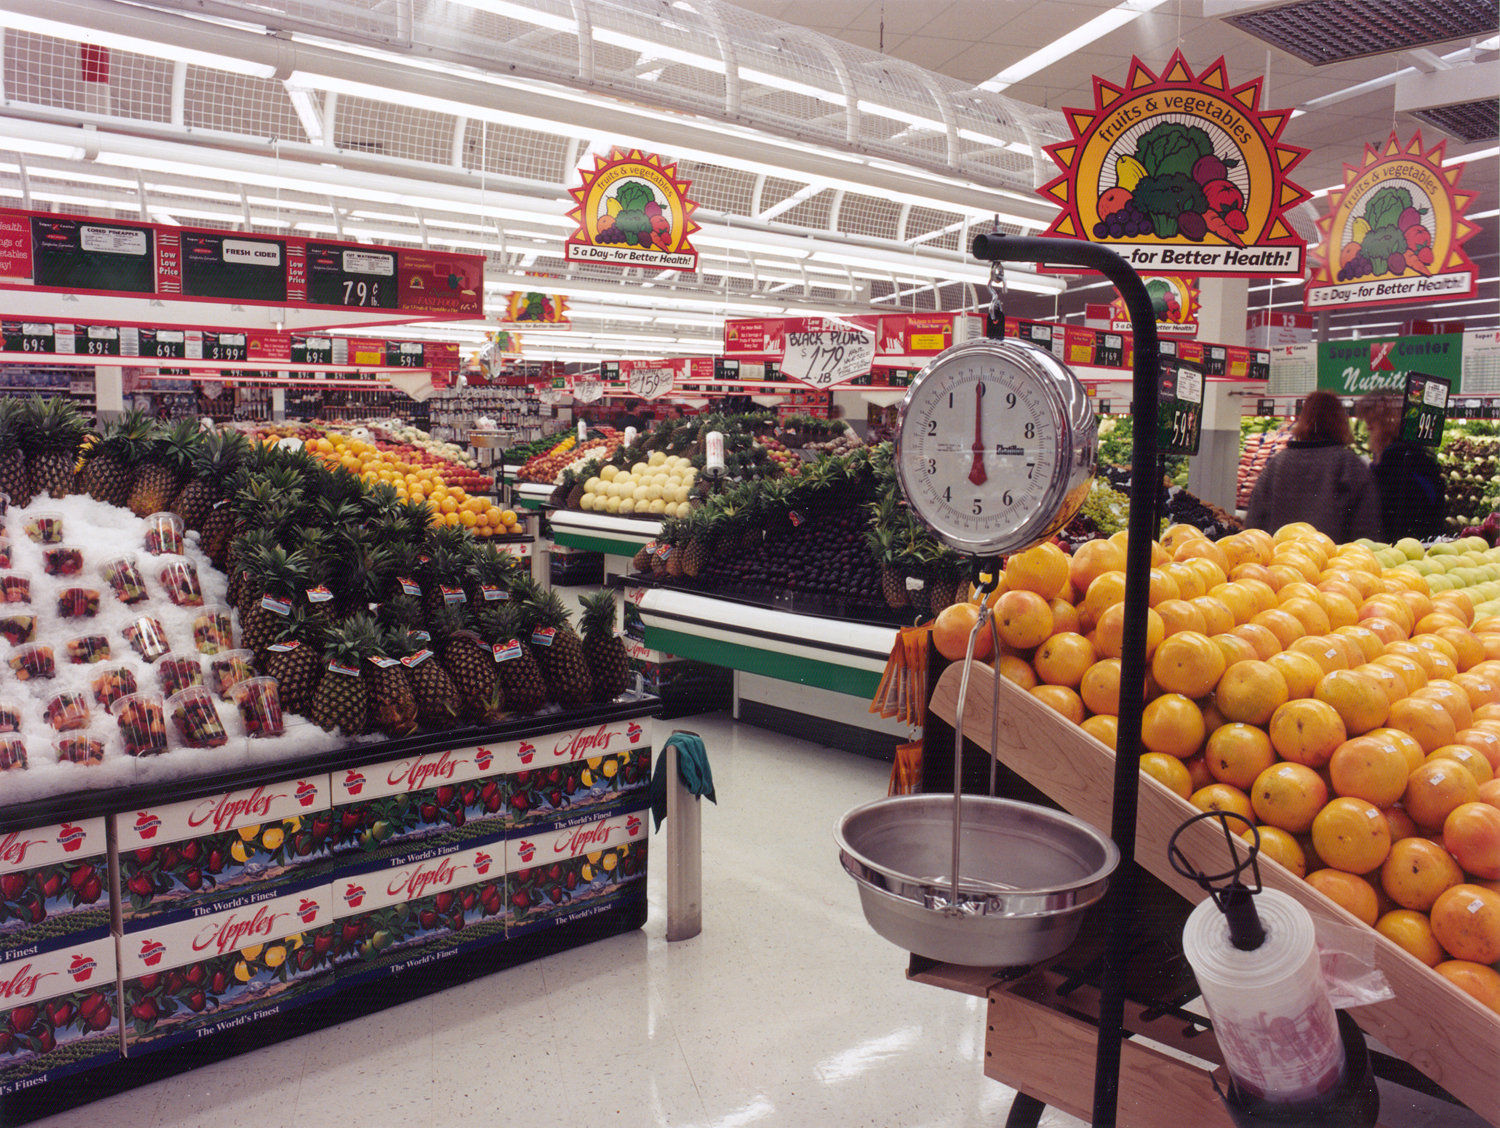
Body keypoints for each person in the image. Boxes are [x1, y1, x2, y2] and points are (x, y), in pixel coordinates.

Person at [1246, 390, 1381, 542]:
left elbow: (1254, 521)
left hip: (1279, 561)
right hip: (1331, 562)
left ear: (1303, 419)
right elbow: (1366, 531)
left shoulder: (1278, 463)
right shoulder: (1350, 465)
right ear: (1340, 421)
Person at [1355, 393, 1446, 541]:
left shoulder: (1396, 463)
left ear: (1387, 425)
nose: (1368, 428)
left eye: (1371, 422)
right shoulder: (1420, 458)